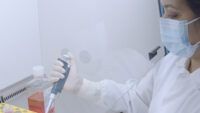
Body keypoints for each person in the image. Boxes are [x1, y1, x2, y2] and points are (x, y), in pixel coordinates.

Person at [50, 0, 200, 112]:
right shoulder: (173, 62)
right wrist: (82, 86)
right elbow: (134, 98)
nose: (164, 21)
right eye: (164, 12)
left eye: (173, 14)